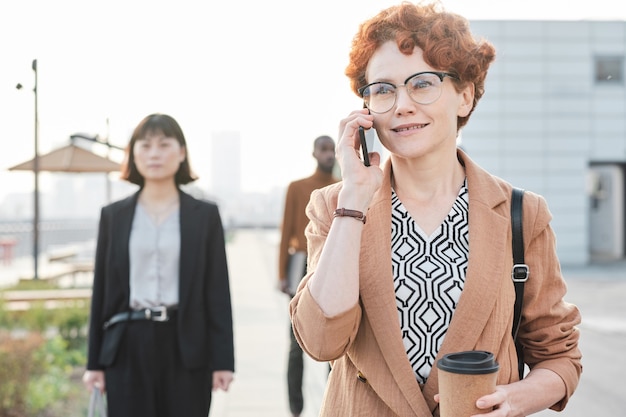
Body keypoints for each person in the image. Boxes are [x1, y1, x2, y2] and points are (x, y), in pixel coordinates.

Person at [289, 2, 582, 416]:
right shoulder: (336, 205)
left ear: (464, 95)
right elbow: (320, 341)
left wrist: (514, 397)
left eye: (422, 83)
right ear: (366, 109)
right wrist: (354, 199)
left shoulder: (522, 213)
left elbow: (560, 357)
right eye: (384, 89)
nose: (402, 104)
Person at [82, 113, 235, 417]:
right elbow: (101, 292)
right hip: (126, 346)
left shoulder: (204, 215)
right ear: (133, 154)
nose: (154, 153)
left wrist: (223, 360)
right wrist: (94, 363)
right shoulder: (113, 216)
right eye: (145, 145)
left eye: (164, 145)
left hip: (187, 346)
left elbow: (217, 291)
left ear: (181, 153)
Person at [278, 135, 338, 417]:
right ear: (314, 153)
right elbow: (285, 231)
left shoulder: (342, 187)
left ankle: (332, 402)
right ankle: (295, 408)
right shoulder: (297, 187)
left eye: (332, 150)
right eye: (324, 150)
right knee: (295, 341)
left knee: (335, 340)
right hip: (301, 263)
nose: (328, 155)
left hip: (334, 265)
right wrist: (282, 274)